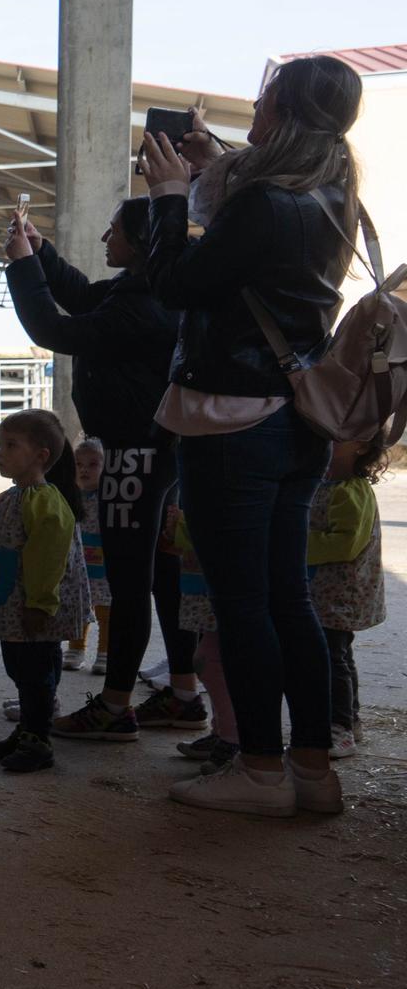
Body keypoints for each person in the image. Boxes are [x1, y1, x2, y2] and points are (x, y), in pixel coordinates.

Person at [142, 55, 365, 818]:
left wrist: (169, 200)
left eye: (265, 100)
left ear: (282, 113)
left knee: (242, 605)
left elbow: (177, 283)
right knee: (288, 599)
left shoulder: (264, 201)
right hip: (295, 418)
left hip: (231, 421)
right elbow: (252, 252)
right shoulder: (334, 194)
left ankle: (259, 769)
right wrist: (217, 170)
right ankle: (311, 767)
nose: (255, 110)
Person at [4, 198, 203, 741]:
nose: (104, 240)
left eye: (113, 232)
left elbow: (53, 328)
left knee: (129, 581)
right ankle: (183, 693)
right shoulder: (143, 290)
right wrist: (42, 254)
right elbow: (80, 295)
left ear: (141, 244)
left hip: (134, 454)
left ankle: (115, 707)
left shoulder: (139, 307)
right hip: (155, 450)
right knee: (160, 577)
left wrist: (20, 265)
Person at [0, 410, 90, 774]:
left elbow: (48, 559)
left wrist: (40, 605)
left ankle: (38, 739)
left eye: (11, 445)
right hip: (13, 603)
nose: (0, 453)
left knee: (34, 670)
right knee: (22, 668)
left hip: (34, 606)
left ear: (41, 455)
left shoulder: (45, 501)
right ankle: (28, 728)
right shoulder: (12, 497)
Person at [306, 438, 385, 759]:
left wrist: (292, 542)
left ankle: (338, 727)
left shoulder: (352, 491)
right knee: (338, 653)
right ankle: (350, 721)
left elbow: (344, 545)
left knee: (331, 657)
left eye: (340, 436)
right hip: (323, 591)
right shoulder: (323, 483)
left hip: (341, 593)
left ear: (362, 447)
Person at [168, 508, 240, 774]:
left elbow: (214, 532)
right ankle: (222, 732)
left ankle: (233, 739)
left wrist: (180, 526)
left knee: (209, 661)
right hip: (204, 584)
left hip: (221, 586)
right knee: (212, 661)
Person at [65, 437, 112, 673]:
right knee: (79, 604)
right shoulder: (71, 496)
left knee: (105, 609)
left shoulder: (109, 498)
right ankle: (76, 647)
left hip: (104, 565)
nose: (84, 469)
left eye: (93, 464)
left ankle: (105, 652)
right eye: (79, 464)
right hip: (77, 562)